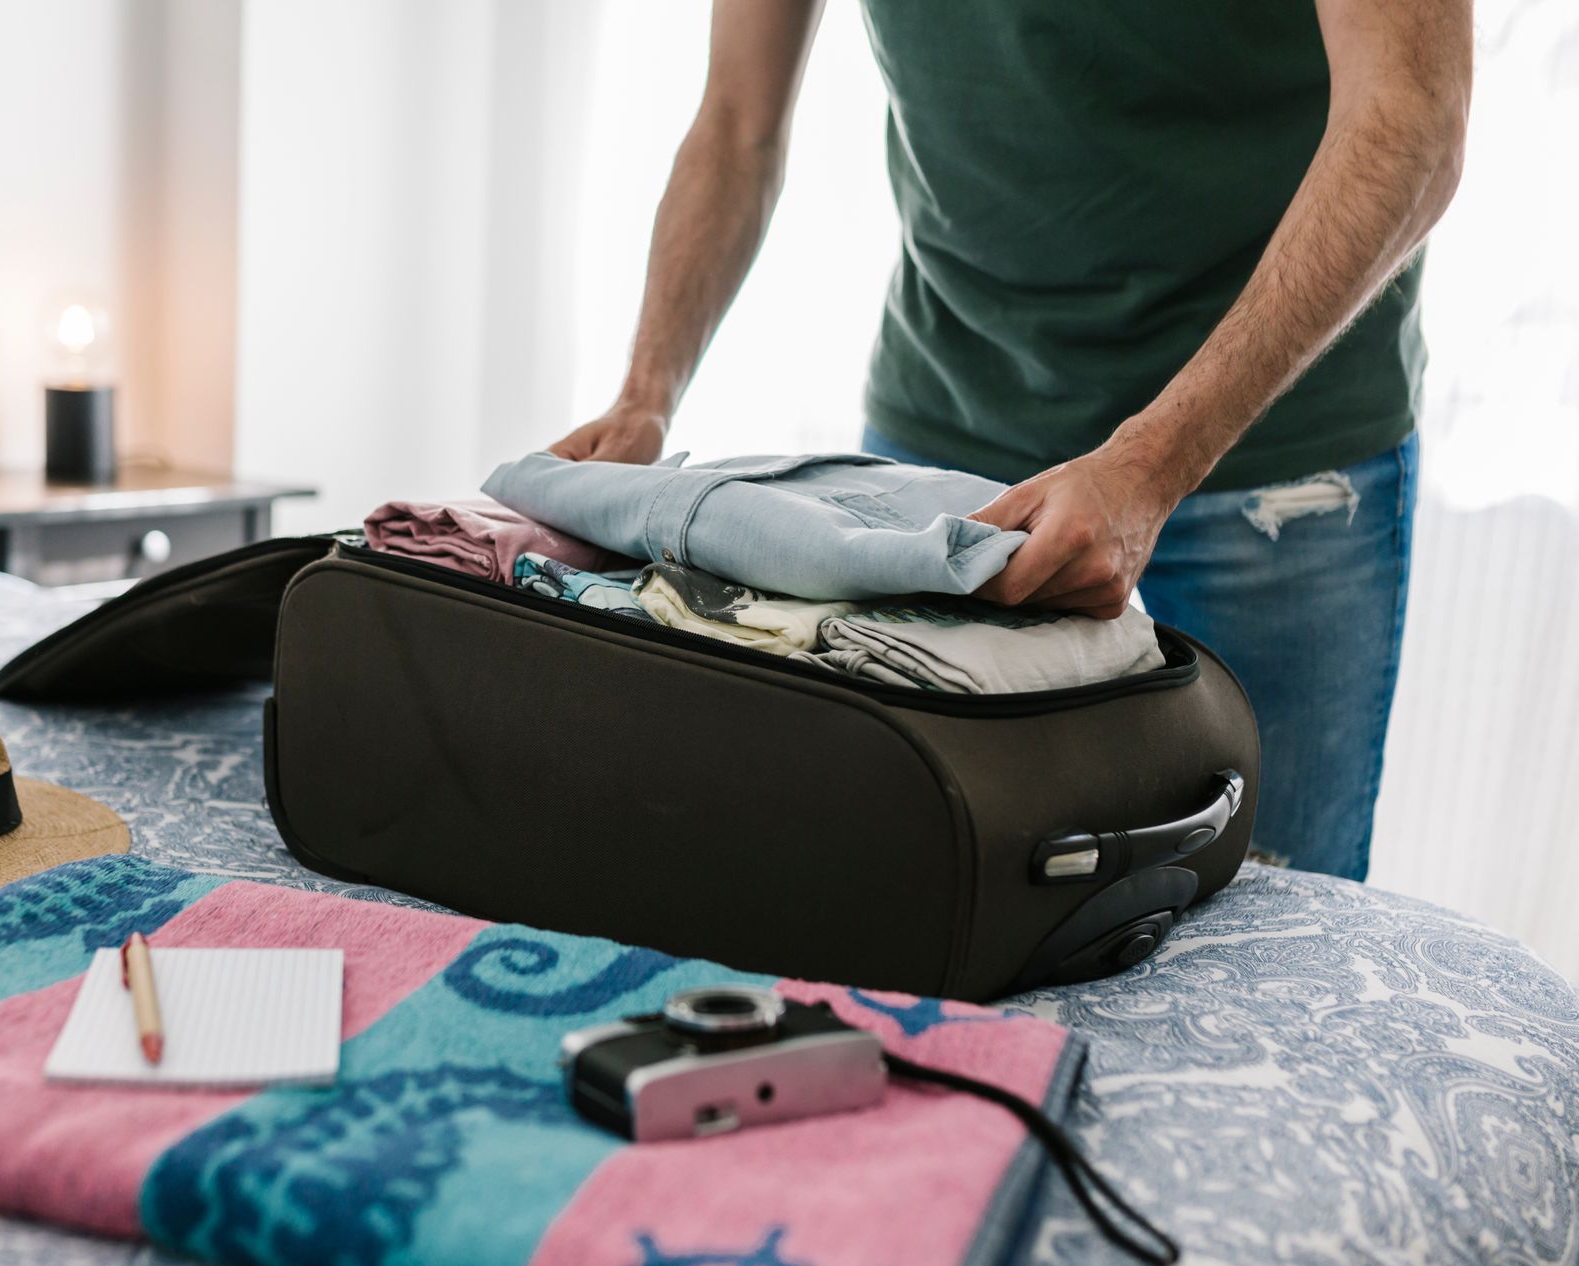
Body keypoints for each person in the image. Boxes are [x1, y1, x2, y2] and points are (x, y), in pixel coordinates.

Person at [547, 0, 1470, 879]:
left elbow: (1412, 124)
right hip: (941, 468)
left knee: (1267, 946)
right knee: (920, 899)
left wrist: (1150, 464)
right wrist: (647, 393)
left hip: (1269, 474)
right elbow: (737, 123)